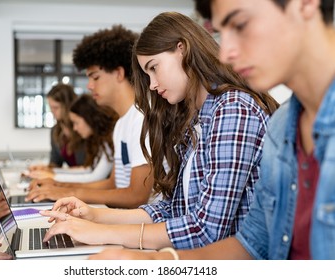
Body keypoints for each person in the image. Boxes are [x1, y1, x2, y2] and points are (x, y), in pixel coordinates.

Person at [89, 0, 335, 260]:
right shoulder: (283, 124)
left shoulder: (235, 107)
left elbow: (208, 229)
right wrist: (152, 260)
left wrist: (109, 234)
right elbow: (253, 243)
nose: (226, 51)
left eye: (239, 24)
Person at [39, 11, 278, 251]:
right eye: (147, 74)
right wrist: (94, 216)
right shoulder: (196, 118)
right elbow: (173, 209)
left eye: (154, 68)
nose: (152, 84)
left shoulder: (233, 109)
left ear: (182, 49)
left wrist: (100, 232)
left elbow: (206, 230)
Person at [26, 25, 154, 208]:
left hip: (141, 227)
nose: (89, 86)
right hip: (123, 217)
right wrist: (59, 186)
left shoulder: (142, 119)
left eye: (95, 77)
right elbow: (113, 184)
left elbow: (136, 196)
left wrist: (67, 192)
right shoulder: (122, 124)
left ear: (119, 73)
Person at [27, 94, 118, 183]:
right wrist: (52, 172)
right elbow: (88, 170)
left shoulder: (110, 138)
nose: (75, 128)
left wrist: (53, 176)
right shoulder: (101, 139)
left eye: (76, 123)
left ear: (89, 118)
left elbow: (96, 177)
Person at [28, 83, 86, 172]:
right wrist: (44, 168)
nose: (52, 111)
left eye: (56, 107)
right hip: (72, 180)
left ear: (68, 105)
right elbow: (56, 162)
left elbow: (89, 169)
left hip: (87, 180)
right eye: (50, 107)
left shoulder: (84, 128)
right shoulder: (55, 131)